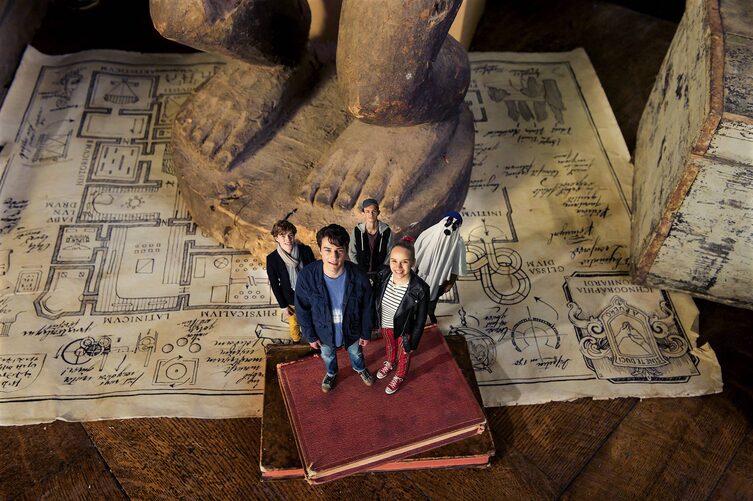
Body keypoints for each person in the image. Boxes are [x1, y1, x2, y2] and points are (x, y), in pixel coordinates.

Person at [295, 224, 374, 393]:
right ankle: (331, 373)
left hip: (352, 330)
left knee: (356, 353)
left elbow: (368, 307)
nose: (334, 256)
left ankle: (360, 368)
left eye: (339, 250)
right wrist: (310, 335)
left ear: (346, 251)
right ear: (320, 250)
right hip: (323, 331)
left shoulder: (359, 276)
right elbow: (302, 309)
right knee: (328, 355)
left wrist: (366, 332)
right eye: (328, 250)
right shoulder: (306, 276)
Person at [373, 240, 430, 395]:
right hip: (385, 324)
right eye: (394, 261)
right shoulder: (383, 275)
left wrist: (413, 343)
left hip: (405, 330)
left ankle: (400, 375)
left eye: (404, 262)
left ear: (412, 262)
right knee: (389, 346)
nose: (398, 267)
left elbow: (420, 320)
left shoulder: (420, 288)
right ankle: (390, 362)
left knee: (404, 354)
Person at [413, 211, 468, 324]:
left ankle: (429, 313)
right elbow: (415, 252)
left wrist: (450, 282)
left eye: (454, 226)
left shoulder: (458, 244)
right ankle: (413, 317)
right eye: (448, 223)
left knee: (432, 300)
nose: (449, 229)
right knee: (414, 298)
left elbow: (457, 265)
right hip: (420, 275)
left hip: (439, 279)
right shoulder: (428, 234)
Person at [265, 220, 316, 342]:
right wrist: (283, 306)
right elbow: (274, 285)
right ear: (276, 238)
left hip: (309, 296)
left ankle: (314, 343)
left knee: (311, 322)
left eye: (290, 235)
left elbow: (315, 274)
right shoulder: (272, 259)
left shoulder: (305, 251)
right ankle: (296, 344)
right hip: (290, 299)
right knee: (294, 325)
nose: (287, 239)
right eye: (282, 236)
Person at [349, 198, 394, 278]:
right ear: (363, 213)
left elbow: (390, 253)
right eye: (367, 211)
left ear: (378, 212)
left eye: (374, 211)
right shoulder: (357, 231)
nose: (371, 214)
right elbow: (352, 252)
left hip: (380, 274)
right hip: (361, 273)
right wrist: (357, 268)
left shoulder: (386, 231)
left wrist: (383, 269)